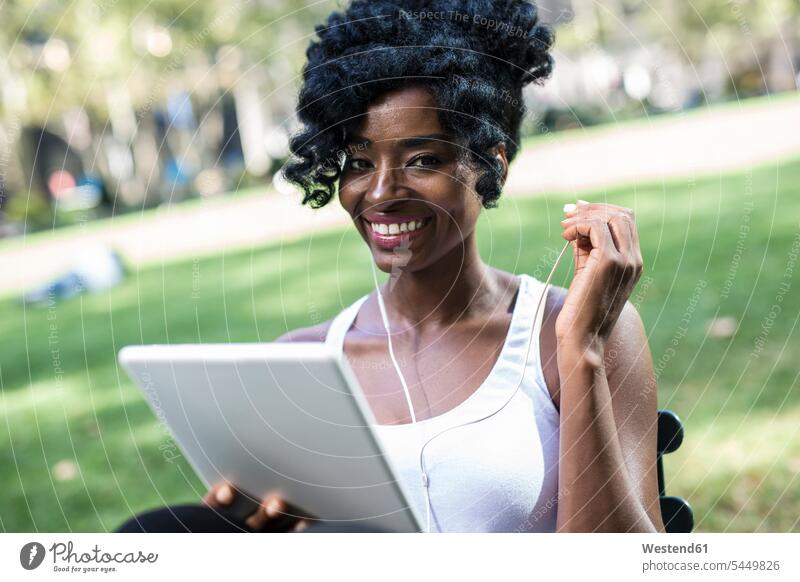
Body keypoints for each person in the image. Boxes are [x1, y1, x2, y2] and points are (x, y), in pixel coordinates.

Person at [118, 0, 665, 533]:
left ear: (488, 164)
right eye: (359, 162)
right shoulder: (299, 366)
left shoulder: (574, 333)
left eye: (423, 159)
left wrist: (583, 351)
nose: (380, 193)